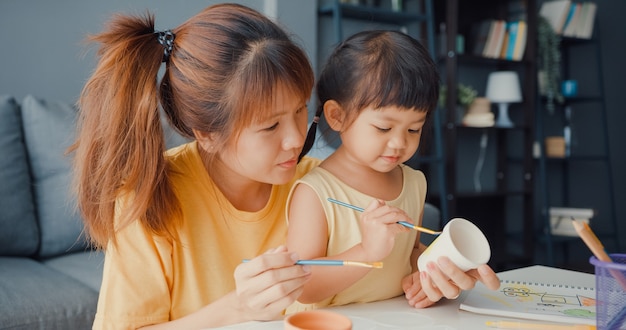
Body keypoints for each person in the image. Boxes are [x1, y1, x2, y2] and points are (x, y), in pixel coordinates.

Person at [71, 3, 320, 329]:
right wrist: (238, 309)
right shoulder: (148, 198)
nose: (295, 139)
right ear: (208, 135)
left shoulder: (317, 183)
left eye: (300, 110)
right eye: (270, 126)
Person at [286, 30, 500, 313]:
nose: (400, 142)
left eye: (414, 129)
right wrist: (366, 252)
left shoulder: (414, 182)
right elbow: (303, 284)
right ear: (337, 116)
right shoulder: (315, 192)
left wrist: (430, 273)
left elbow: (409, 252)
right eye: (383, 128)